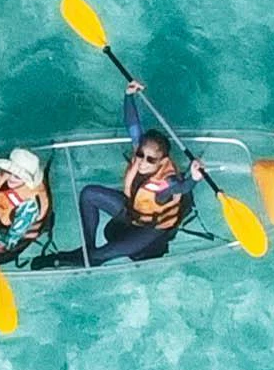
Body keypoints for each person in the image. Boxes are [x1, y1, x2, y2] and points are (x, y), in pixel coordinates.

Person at [78, 84, 196, 265]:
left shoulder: (166, 183)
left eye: (150, 160)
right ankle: (87, 247)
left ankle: (88, 258)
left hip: (152, 228)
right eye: (141, 155)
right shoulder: (140, 155)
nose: (142, 162)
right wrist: (128, 96)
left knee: (98, 256)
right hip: (132, 212)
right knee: (88, 194)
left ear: (162, 162)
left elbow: (182, 186)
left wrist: (194, 177)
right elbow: (132, 125)